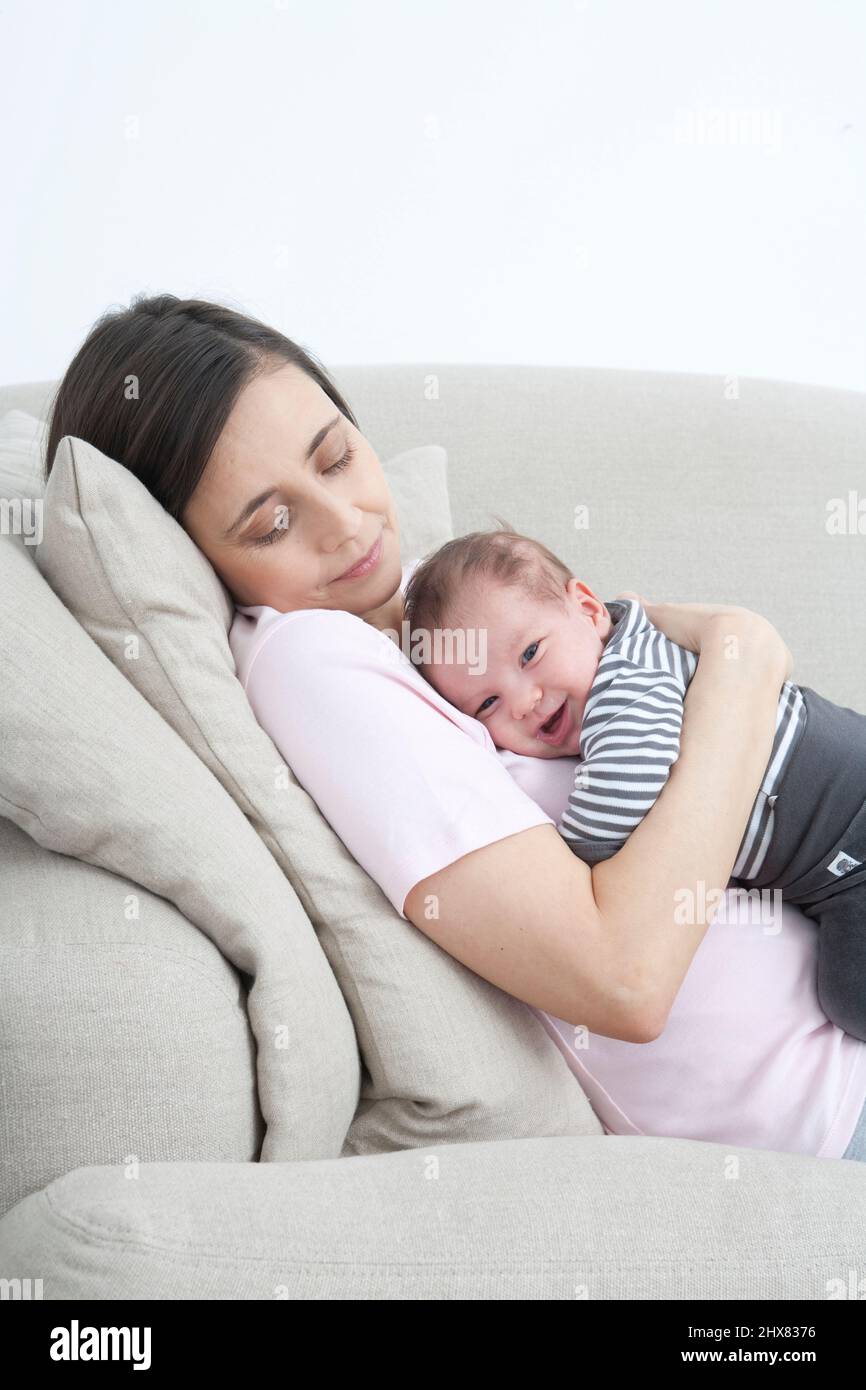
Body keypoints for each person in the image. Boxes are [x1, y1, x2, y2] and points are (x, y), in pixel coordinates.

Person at [42, 292, 866, 1161]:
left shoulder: (435, 612)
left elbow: (633, 637)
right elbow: (625, 980)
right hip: (830, 1114)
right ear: (195, 555)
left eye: (337, 460)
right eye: (274, 523)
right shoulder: (309, 661)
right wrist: (743, 655)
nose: (349, 523)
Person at [402, 525, 866, 1043]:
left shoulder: (625, 681)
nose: (523, 701)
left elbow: (622, 801)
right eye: (486, 703)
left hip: (850, 830)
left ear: (589, 609)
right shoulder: (638, 651)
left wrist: (563, 862)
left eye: (530, 653)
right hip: (835, 864)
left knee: (851, 995)